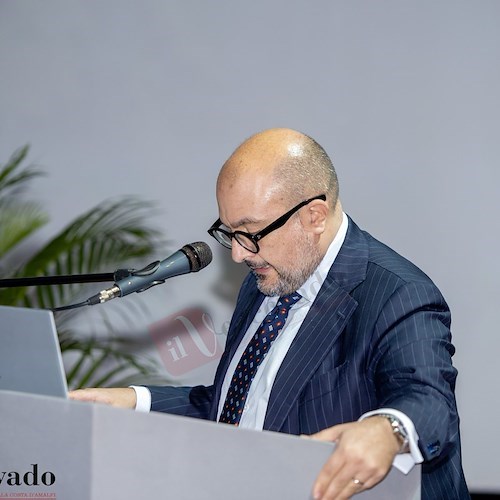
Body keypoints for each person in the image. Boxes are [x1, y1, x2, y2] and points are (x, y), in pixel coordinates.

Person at [71, 128, 469, 499]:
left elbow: (430, 400)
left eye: (251, 232)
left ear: (314, 216)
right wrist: (132, 402)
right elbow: (239, 410)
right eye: (229, 232)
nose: (239, 254)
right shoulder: (268, 278)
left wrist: (388, 429)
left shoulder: (398, 293)